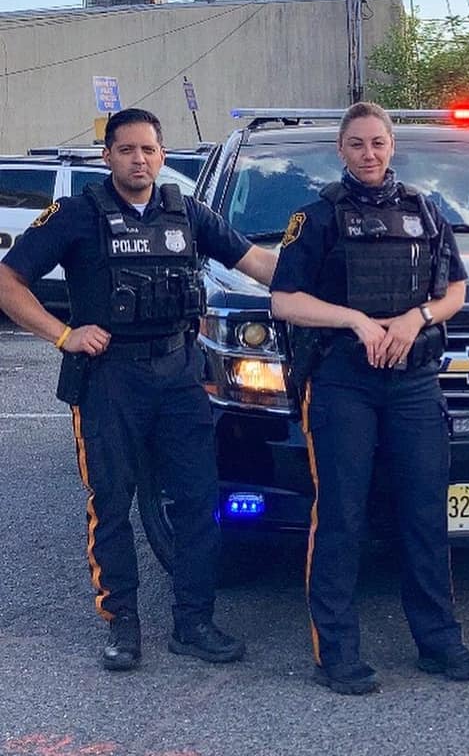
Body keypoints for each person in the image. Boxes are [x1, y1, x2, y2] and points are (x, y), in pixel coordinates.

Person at [0, 108, 276, 673]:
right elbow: (8, 280)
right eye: (126, 150)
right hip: (109, 381)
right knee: (112, 505)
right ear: (107, 156)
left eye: (148, 150)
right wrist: (63, 334)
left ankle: (193, 622)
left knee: (199, 503)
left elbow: (257, 263)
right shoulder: (77, 214)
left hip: (178, 377)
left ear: (162, 154)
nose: (139, 160)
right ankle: (122, 623)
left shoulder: (188, 213)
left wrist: (337, 287)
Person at [270, 101, 469, 696]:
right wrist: (357, 322)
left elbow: (457, 290)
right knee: (341, 514)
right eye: (358, 144)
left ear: (393, 147)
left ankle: (439, 643)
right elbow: (284, 301)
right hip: (343, 382)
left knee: (424, 511)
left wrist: (416, 318)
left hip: (414, 381)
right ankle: (335, 653)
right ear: (340, 150)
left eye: (379, 143)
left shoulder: (424, 211)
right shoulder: (315, 219)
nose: (370, 153)